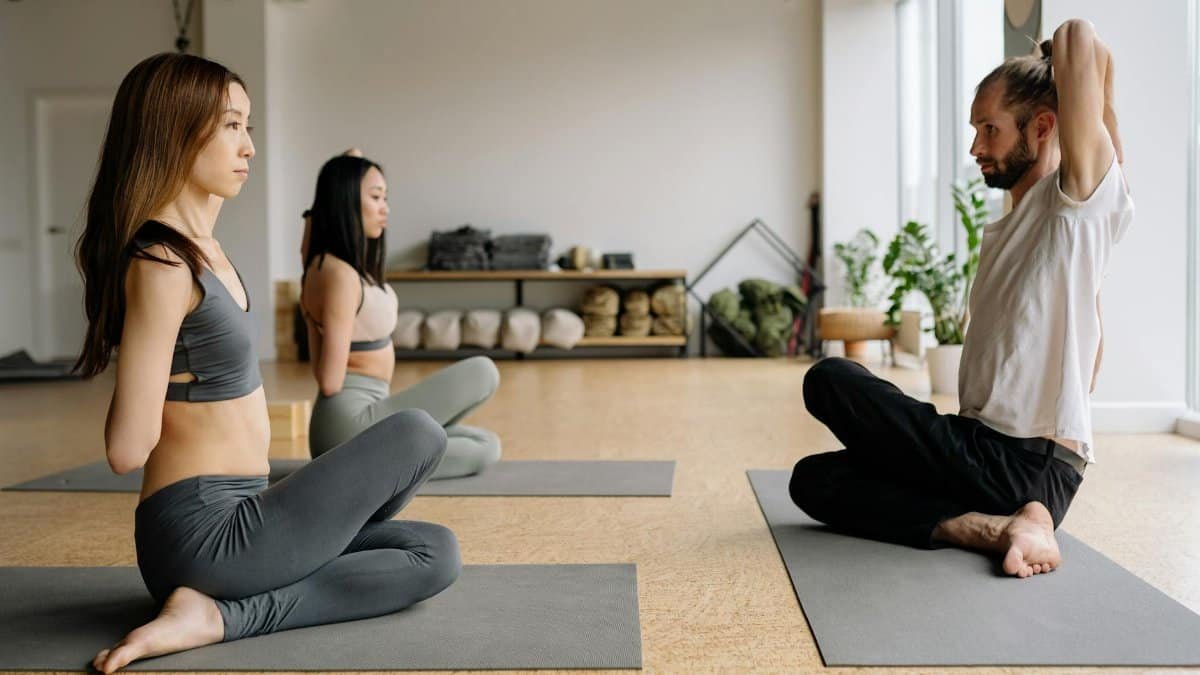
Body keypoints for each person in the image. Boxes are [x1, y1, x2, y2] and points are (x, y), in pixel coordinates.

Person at [74, 53, 460, 673]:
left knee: (433, 551)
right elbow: (126, 449)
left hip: (253, 514)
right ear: (175, 129)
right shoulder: (161, 264)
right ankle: (221, 616)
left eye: (247, 126)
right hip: (205, 535)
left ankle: (222, 606)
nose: (248, 146)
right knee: (417, 433)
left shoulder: (205, 251)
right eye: (231, 126)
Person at [790, 19, 1132, 578]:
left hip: (1026, 463)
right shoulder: (1020, 224)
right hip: (979, 449)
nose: (975, 147)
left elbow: (1077, 38)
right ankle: (990, 526)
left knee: (830, 378)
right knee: (812, 480)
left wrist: (1056, 56)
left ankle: (1017, 514)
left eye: (989, 129)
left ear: (1043, 126)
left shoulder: (1075, 206)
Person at [300, 154, 502, 478]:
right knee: (483, 371)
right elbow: (329, 380)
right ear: (346, 200)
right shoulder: (338, 274)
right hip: (349, 427)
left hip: (363, 419)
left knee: (485, 443)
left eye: (385, 198)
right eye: (376, 197)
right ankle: (373, 466)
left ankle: (380, 466)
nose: (385, 207)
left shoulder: (331, 266)